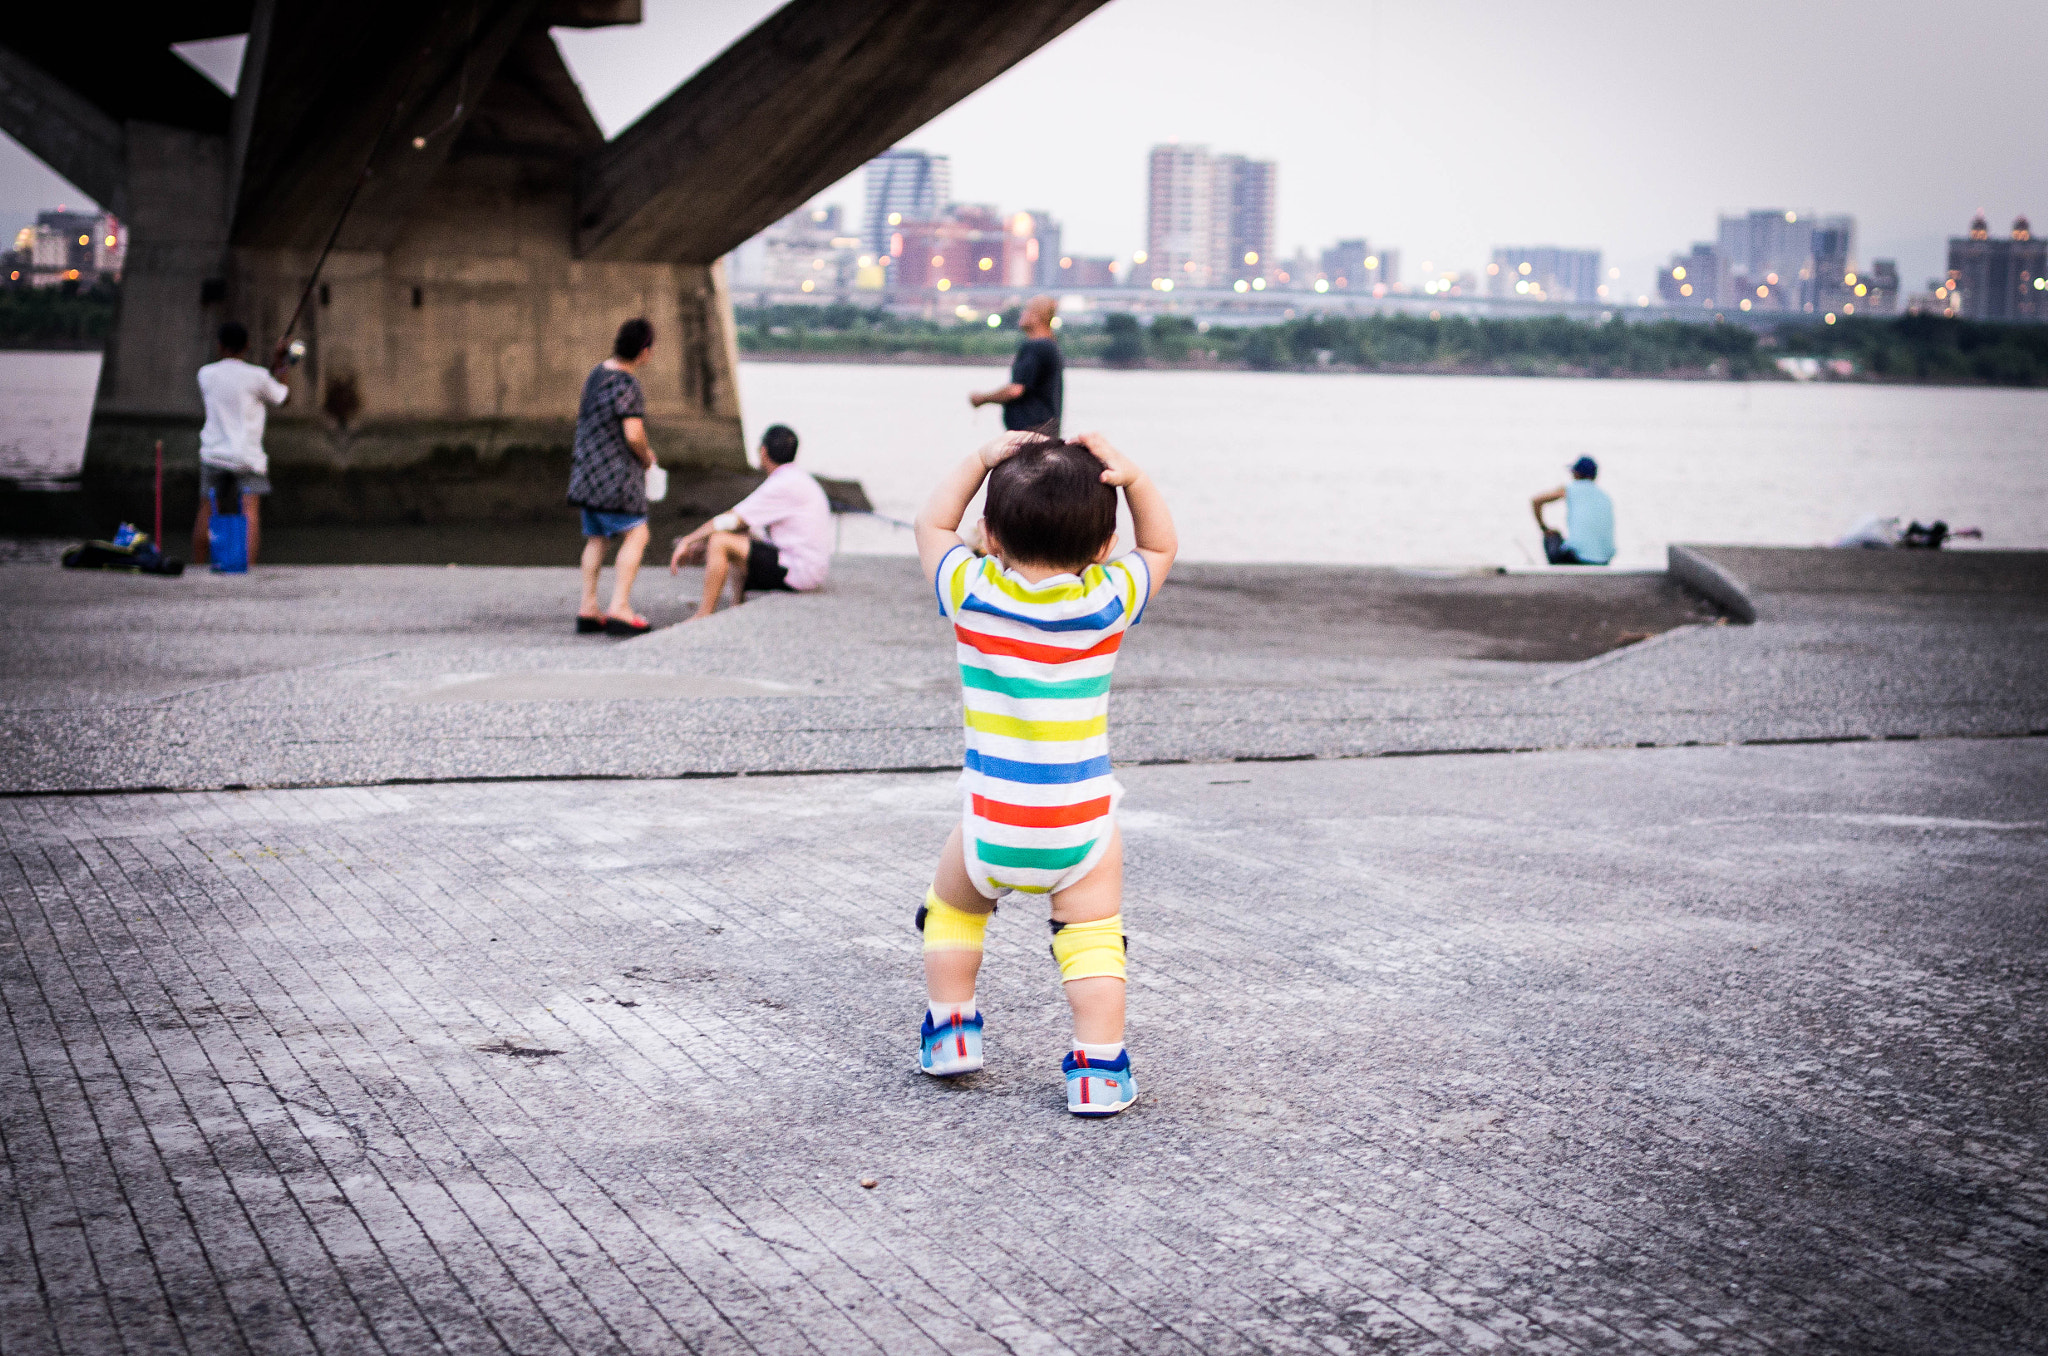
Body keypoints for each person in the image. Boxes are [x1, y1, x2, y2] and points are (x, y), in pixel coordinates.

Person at [910, 429, 1178, 1117]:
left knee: (954, 910)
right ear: (1099, 549)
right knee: (1092, 941)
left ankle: (951, 1033)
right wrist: (1135, 479)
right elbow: (1160, 547)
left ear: (990, 534)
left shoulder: (969, 588)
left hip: (992, 817)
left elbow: (931, 522)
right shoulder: (1109, 599)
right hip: (1078, 820)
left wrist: (977, 459)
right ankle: (1097, 1071)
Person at [667, 423, 831, 619]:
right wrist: (701, 543)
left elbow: (730, 520)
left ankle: (703, 616)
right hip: (807, 565)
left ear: (763, 451)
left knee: (721, 541)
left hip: (799, 572)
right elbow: (744, 525)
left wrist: (689, 540)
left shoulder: (782, 484)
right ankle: (737, 606)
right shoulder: (797, 478)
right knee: (737, 536)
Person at [569, 318, 658, 635]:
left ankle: (588, 607)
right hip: (615, 478)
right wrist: (647, 459)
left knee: (597, 538)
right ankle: (620, 607)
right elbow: (633, 434)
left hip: (586, 475)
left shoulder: (597, 374)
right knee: (637, 534)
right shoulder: (627, 384)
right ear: (644, 351)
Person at [192, 321, 290, 565]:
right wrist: (281, 364)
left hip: (213, 454)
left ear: (219, 346)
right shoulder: (257, 376)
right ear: (247, 346)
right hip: (247, 456)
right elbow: (282, 397)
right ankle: (248, 568)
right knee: (249, 510)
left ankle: (198, 566)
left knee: (207, 508)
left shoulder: (205, 374)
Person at [969, 295, 1063, 435]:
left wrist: (982, 399)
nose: (1022, 314)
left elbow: (1015, 390)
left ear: (1036, 317)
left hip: (1029, 436)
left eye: (1026, 310)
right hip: (1043, 433)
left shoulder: (1036, 346)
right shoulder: (1050, 346)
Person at [1532, 456, 1615, 565]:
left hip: (1579, 559)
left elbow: (1536, 501)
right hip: (1604, 560)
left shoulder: (1570, 488)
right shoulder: (1605, 497)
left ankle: (1560, 575)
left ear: (1577, 474)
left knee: (1552, 536)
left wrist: (1544, 528)